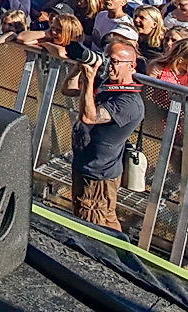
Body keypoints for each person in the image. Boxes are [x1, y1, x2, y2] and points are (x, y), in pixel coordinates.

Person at [62, 39, 145, 232]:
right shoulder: (107, 83)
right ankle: (120, 251)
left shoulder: (129, 102)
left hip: (98, 175)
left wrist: (90, 80)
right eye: (106, 57)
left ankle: (109, 258)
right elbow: (67, 90)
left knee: (93, 224)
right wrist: (79, 68)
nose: (108, 64)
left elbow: (88, 117)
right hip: (85, 165)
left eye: (114, 61)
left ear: (131, 66)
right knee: (103, 219)